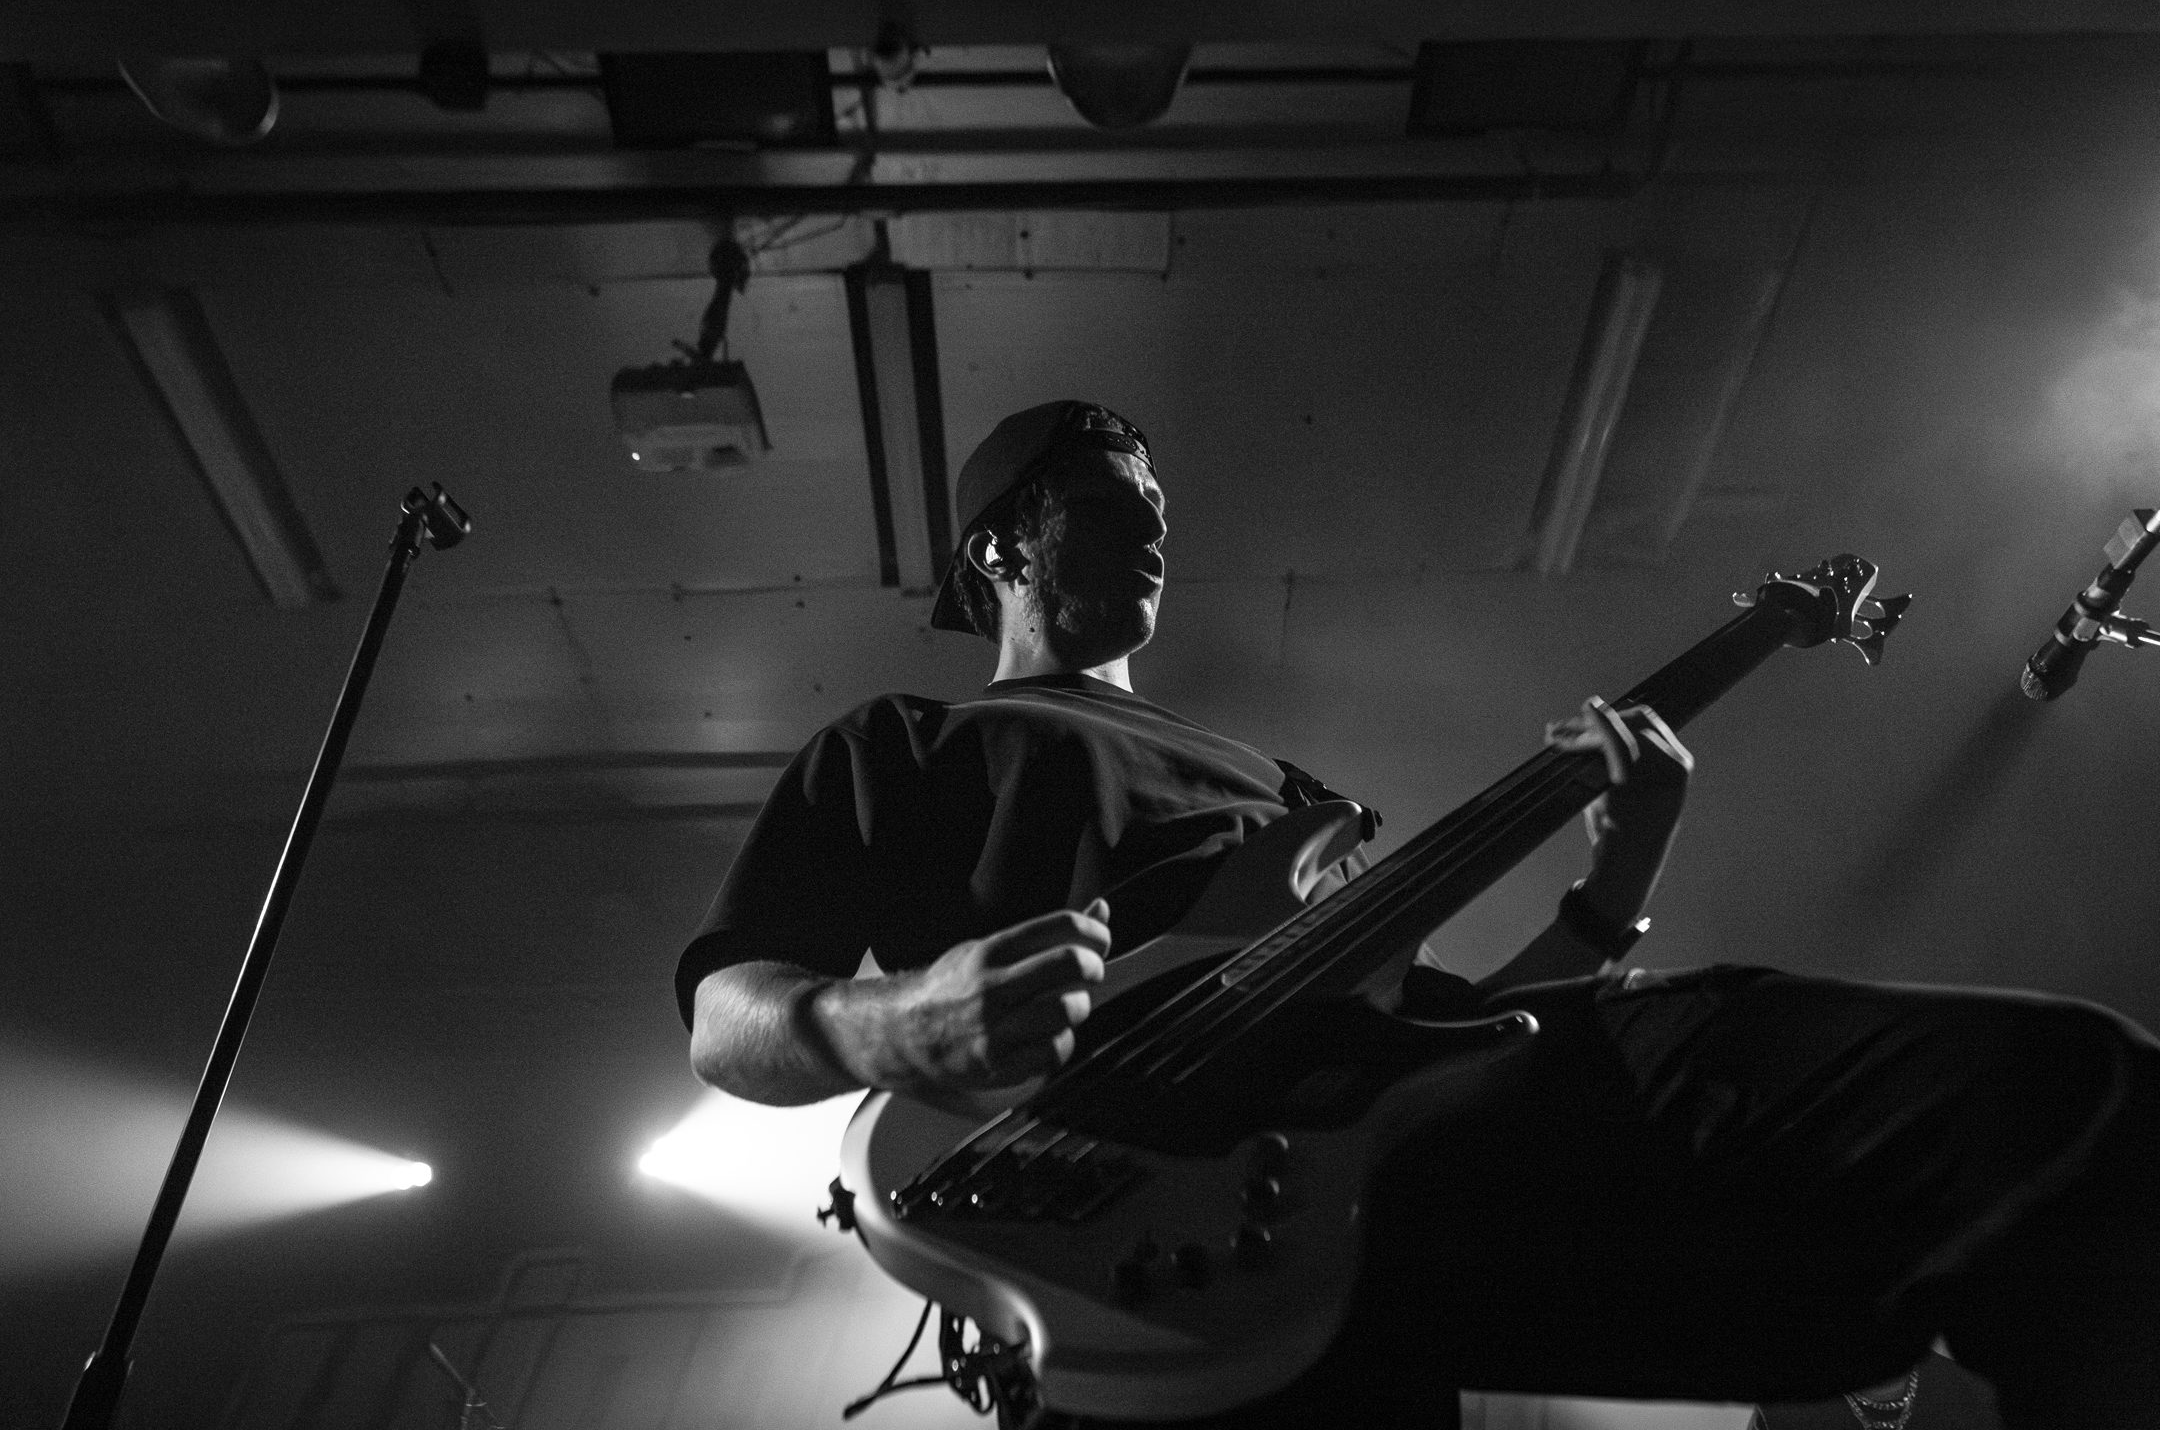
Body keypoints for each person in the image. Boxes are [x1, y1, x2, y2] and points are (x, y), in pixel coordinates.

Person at [677, 401, 2159, 1430]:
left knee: (2061, 1112)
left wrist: (1616, 882)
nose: (1159, 533)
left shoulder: (1285, 794)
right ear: (1002, 547)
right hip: (1123, 1243)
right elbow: (726, 1020)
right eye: (1116, 504)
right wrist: (890, 1021)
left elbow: (1458, 1032)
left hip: (1381, 1186)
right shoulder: (906, 747)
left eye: (1165, 514)